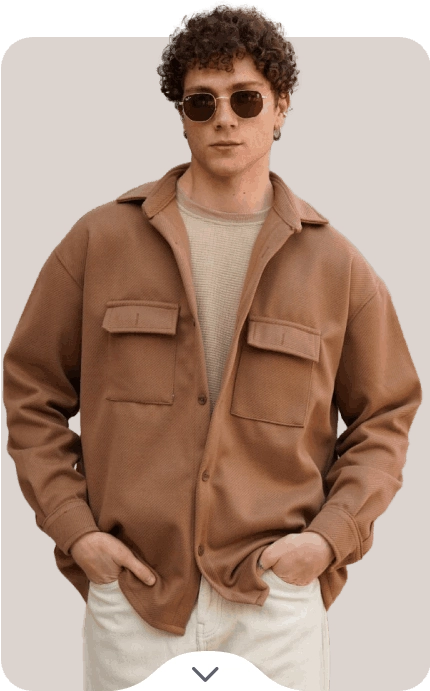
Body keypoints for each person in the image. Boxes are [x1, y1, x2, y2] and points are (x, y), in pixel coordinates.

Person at [2, 4, 423, 691]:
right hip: (136, 596)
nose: (224, 118)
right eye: (202, 102)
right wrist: (76, 530)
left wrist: (328, 540)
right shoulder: (99, 244)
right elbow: (30, 391)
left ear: (280, 108)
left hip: (273, 602)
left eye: (245, 98)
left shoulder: (338, 268)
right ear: (182, 114)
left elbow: (387, 415)